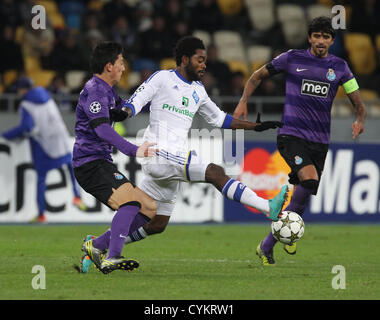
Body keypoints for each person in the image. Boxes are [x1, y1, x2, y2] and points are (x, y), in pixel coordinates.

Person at [81, 36, 289, 272]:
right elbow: (136, 102)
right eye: (200, 60)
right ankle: (267, 207)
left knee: (157, 223)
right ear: (184, 59)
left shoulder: (198, 91)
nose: (204, 65)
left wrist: (255, 126)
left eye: (205, 61)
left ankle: (96, 246)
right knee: (214, 172)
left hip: (171, 159)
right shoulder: (162, 78)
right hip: (159, 152)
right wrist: (124, 113)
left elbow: (220, 119)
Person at [233, 16, 367, 266]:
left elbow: (358, 102)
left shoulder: (340, 67)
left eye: (325, 37)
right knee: (310, 179)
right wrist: (243, 101)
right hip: (291, 134)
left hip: (320, 141)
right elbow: (256, 76)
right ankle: (283, 231)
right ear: (309, 38)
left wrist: (359, 119)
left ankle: (269, 244)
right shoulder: (291, 58)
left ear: (331, 41)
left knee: (304, 194)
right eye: (316, 36)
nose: (320, 41)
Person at [73, 41, 158, 274]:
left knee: (149, 208)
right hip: (89, 163)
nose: (124, 67)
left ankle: (96, 245)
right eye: (121, 63)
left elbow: (121, 112)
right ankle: (113, 256)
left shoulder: (107, 90)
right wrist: (134, 149)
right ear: (109, 66)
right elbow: (101, 129)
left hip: (100, 162)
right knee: (130, 204)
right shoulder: (95, 90)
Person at [1, 76, 87, 223]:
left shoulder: (26, 105)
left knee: (41, 179)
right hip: (61, 137)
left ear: (22, 90)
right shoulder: (45, 93)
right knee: (71, 166)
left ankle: (41, 214)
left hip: (44, 144)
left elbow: (26, 127)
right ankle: (77, 196)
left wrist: (5, 135)